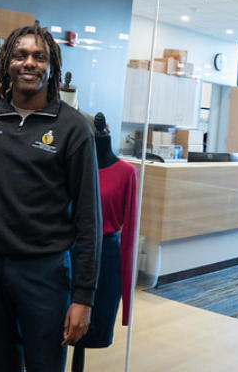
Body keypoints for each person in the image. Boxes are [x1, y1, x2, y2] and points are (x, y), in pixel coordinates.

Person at [0, 23, 102, 372]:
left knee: (45, 364)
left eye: (39, 57)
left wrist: (83, 298)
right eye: (20, 55)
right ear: (7, 63)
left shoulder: (73, 127)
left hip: (44, 272)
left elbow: (89, 218)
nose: (29, 63)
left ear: (52, 66)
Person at [71, 113, 138, 372]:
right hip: (67, 250)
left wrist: (126, 298)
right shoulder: (75, 167)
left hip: (105, 255)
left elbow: (130, 230)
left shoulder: (126, 172)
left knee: (91, 325)